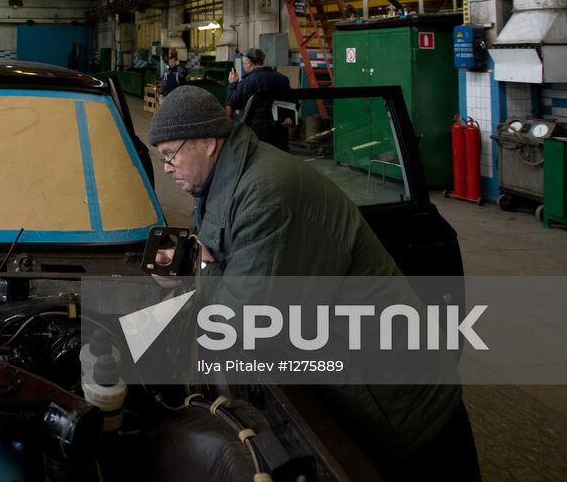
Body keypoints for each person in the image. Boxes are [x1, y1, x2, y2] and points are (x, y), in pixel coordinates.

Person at [147, 85, 479, 479]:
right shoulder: (221, 184)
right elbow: (213, 254)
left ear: (207, 141)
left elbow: (243, 323)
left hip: (400, 406)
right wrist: (191, 265)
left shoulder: (266, 193)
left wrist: (202, 276)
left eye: (171, 155)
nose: (167, 168)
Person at [226, 48, 291, 151]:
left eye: (244, 63)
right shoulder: (283, 79)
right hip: (280, 131)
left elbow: (234, 103)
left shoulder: (249, 80)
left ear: (248, 63)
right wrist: (288, 117)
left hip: (258, 132)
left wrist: (233, 84)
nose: (244, 65)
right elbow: (291, 101)